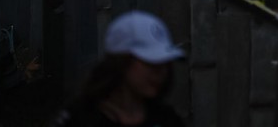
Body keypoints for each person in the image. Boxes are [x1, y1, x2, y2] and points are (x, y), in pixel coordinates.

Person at [56, 11, 187, 127]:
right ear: (122, 62)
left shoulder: (166, 119)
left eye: (165, 63)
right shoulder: (81, 119)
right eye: (150, 63)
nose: (160, 72)